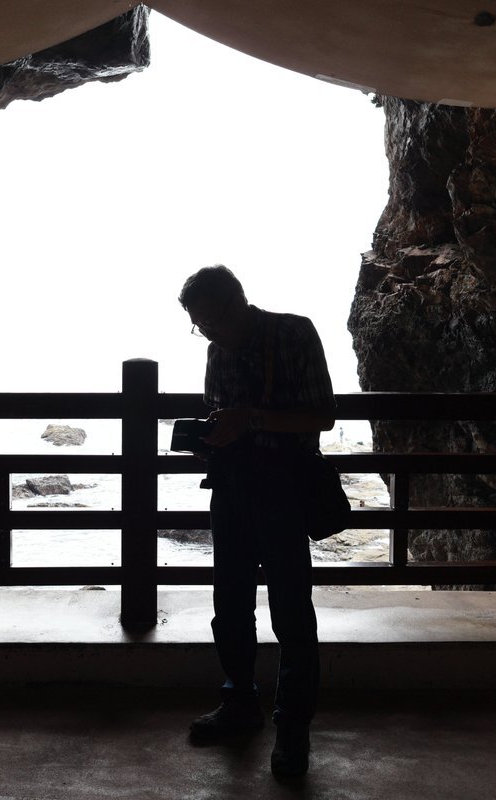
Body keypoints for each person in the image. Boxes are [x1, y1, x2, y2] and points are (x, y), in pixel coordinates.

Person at [178, 264, 336, 779]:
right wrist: (212, 435)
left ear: (240, 300)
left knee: (291, 613)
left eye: (212, 320)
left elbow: (323, 415)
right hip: (232, 488)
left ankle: (292, 725)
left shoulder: (294, 333)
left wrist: (250, 418)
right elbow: (219, 412)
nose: (209, 333)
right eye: (199, 325)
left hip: (285, 490)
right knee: (229, 607)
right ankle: (240, 702)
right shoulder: (215, 351)